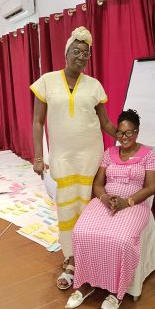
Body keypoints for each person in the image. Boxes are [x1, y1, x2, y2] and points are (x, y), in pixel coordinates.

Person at [30, 26, 116, 289]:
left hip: (91, 155)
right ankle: (70, 257)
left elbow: (105, 123)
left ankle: (88, 252)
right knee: (66, 207)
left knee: (88, 205)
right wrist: (36, 156)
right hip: (62, 157)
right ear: (66, 54)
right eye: (76, 51)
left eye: (86, 53)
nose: (81, 56)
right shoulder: (46, 81)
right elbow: (37, 122)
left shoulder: (94, 86)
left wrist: (126, 136)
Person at [65, 109, 155, 309]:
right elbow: (98, 184)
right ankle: (87, 282)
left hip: (134, 203)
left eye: (129, 133)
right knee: (81, 232)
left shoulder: (148, 155)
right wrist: (105, 198)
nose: (124, 137)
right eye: (120, 133)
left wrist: (128, 201)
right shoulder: (109, 153)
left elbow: (152, 187)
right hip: (106, 200)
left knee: (122, 239)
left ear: (137, 132)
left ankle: (117, 292)